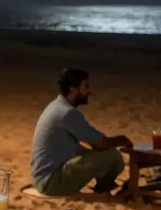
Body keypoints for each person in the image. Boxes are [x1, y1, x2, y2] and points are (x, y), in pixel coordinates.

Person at [29, 69, 132, 197]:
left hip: (44, 178)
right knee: (112, 157)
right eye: (86, 87)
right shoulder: (67, 113)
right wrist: (122, 140)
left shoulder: (56, 106)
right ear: (73, 90)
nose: (89, 91)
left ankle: (105, 187)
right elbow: (99, 144)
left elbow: (79, 147)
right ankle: (104, 188)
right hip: (51, 183)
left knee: (105, 155)